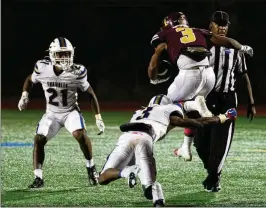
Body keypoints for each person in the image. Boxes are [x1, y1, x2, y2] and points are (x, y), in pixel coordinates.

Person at [98, 95, 237, 207]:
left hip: (126, 137)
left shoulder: (139, 111)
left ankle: (128, 171)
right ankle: (157, 199)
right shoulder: (168, 109)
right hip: (145, 139)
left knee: (103, 177)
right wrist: (222, 117)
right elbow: (195, 122)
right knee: (149, 189)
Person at [175, 11, 256, 192]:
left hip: (227, 99)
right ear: (210, 25)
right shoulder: (200, 44)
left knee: (221, 141)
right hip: (204, 98)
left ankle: (214, 177)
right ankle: (212, 171)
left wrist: (250, 101)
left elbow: (243, 75)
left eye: (225, 24)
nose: (222, 27)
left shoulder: (235, 48)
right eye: (218, 24)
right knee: (200, 143)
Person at [18, 37, 105, 188]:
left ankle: (91, 167)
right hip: (52, 113)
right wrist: (24, 95)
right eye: (60, 54)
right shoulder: (42, 67)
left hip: (70, 111)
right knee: (39, 139)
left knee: (80, 134)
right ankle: (38, 178)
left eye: (67, 54)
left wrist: (98, 117)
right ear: (52, 54)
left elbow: (90, 93)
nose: (64, 58)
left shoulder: (77, 71)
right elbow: (29, 80)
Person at [148, 12, 253, 111]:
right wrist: (243, 48)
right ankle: (196, 104)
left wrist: (153, 79)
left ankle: (148, 124)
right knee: (191, 107)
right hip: (209, 76)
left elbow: (154, 64)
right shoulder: (199, 31)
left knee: (166, 103)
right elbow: (228, 41)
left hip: (190, 73)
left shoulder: (166, 34)